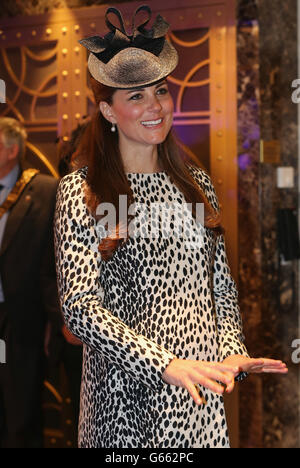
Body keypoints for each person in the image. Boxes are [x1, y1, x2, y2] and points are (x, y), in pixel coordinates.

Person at [54, 6, 287, 448]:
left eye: (160, 91)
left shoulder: (194, 183)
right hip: (127, 395)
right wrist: (163, 364)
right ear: (107, 110)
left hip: (199, 387)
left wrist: (232, 347)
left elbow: (219, 283)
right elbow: (80, 310)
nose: (155, 106)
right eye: (135, 96)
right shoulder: (80, 191)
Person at [0, 117, 61, 447]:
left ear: (12, 151)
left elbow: (55, 262)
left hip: (20, 321)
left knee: (21, 416)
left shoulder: (45, 191)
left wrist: (56, 320)